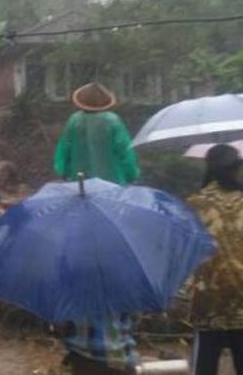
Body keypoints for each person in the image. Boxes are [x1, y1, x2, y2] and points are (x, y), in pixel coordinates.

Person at [52, 82, 141, 374]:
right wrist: (131, 177)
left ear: (81, 103)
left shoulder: (73, 122)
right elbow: (126, 155)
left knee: (82, 238)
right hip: (111, 191)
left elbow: (61, 155)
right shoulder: (113, 122)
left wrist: (65, 173)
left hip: (80, 191)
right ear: (105, 103)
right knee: (110, 239)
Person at [186, 144, 243, 375]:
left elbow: (189, 251)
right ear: (239, 168)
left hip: (208, 300)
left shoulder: (195, 204)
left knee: (204, 368)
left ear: (209, 168)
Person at [53, 82, 140, 184]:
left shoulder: (75, 120)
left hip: (80, 181)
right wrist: (131, 174)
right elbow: (124, 150)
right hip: (112, 182)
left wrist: (63, 171)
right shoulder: (112, 121)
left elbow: (64, 148)